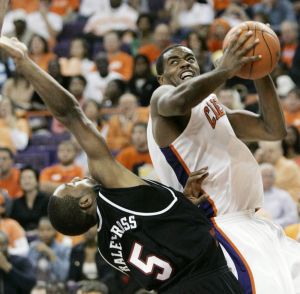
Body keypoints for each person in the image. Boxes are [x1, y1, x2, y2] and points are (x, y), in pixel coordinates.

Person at [0, 35, 244, 294]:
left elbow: (155, 233)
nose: (79, 178)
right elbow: (70, 113)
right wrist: (24, 62)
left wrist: (179, 204)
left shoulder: (107, 249)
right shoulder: (113, 191)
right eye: (73, 184)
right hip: (211, 279)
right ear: (85, 202)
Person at [146, 33, 300, 292]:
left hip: (254, 221)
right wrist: (225, 70)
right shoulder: (162, 97)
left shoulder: (210, 103)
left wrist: (260, 71)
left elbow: (272, 130)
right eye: (174, 61)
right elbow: (179, 101)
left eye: (190, 58)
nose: (184, 63)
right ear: (161, 78)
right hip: (219, 224)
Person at [259, 163, 299, 228]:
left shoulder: (283, 195)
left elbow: (293, 218)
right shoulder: (251, 196)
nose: (268, 179)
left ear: (274, 178)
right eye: (264, 176)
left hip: (277, 229)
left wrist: (273, 223)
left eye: (271, 176)